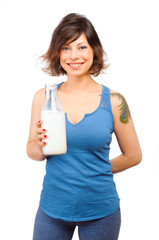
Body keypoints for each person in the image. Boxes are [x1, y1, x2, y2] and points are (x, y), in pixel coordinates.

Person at [27, 13, 142, 240]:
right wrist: (39, 146)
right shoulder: (44, 97)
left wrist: (96, 170)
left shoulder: (115, 101)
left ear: (94, 51)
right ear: (57, 53)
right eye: (66, 48)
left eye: (81, 47)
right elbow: (31, 149)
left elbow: (134, 155)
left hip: (101, 211)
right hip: (52, 210)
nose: (74, 56)